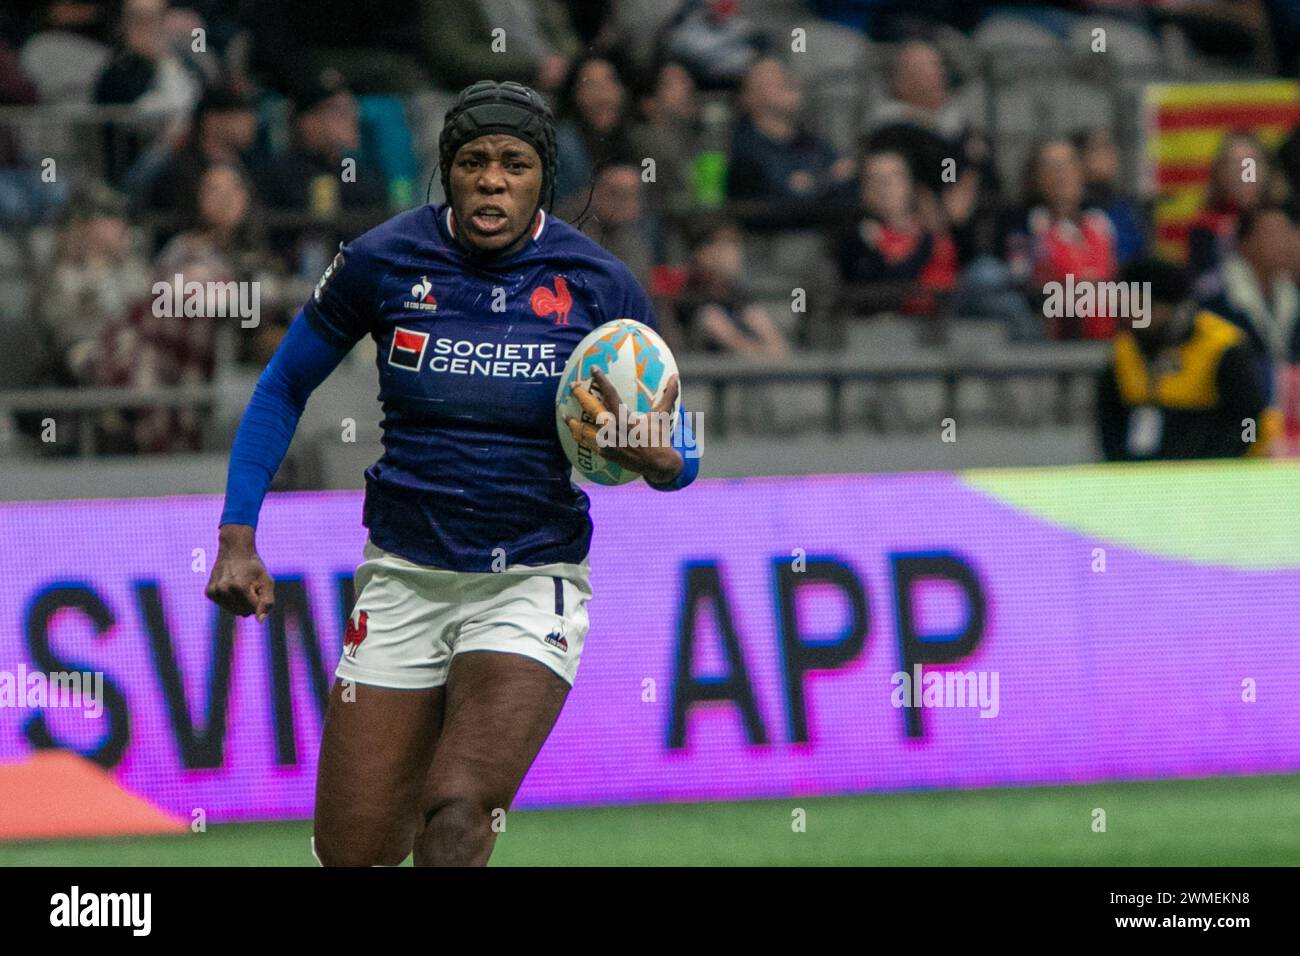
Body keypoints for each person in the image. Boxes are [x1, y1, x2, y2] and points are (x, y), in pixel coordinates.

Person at [204, 81, 700, 867]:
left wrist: (665, 461)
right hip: (403, 578)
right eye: (473, 161)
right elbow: (283, 386)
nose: (492, 179)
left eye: (514, 163)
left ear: (542, 177)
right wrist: (237, 534)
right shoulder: (382, 260)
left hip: (531, 579)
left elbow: (680, 442)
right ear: (447, 170)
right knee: (354, 853)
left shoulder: (598, 283)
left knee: (460, 813)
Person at [1097, 258, 1278, 461]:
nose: (1131, 318)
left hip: (1217, 477)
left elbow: (1250, 421)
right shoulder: (1124, 351)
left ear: (1171, 307)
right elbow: (1109, 424)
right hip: (1145, 480)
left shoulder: (1223, 347)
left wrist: (1223, 464)